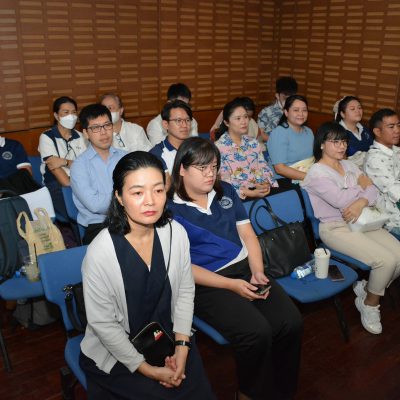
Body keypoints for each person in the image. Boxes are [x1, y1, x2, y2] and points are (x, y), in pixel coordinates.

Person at [168, 137, 303, 400]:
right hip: (207, 282)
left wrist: (257, 271)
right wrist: (231, 285)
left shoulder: (226, 191)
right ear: (182, 169)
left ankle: (283, 389)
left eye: (214, 166)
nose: (210, 174)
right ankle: (248, 393)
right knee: (256, 332)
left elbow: (248, 235)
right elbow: (181, 267)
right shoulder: (170, 209)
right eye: (202, 168)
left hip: (245, 269)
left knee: (291, 322)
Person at [79, 151, 215, 400]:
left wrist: (182, 347)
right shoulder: (101, 252)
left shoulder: (175, 233)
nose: (150, 201)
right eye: (137, 193)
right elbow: (103, 324)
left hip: (169, 336)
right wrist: (147, 370)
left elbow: (185, 292)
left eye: (158, 190)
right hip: (120, 352)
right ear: (119, 197)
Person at [302, 121, 400, 335]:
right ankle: (370, 304)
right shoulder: (317, 173)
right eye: (335, 142)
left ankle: (368, 289)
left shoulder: (348, 165)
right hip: (335, 227)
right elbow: (340, 200)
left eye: (344, 142)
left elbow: (373, 190)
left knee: (399, 257)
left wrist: (360, 201)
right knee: (385, 261)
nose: (342, 146)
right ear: (321, 144)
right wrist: (361, 190)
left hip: (363, 220)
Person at [70, 104, 126, 244]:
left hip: (129, 218)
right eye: (95, 128)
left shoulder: (126, 158)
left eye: (107, 125)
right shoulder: (79, 166)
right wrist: (128, 198)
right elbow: (95, 205)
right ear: (86, 133)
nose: (103, 132)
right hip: (99, 226)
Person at [215, 97, 278, 200]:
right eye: (238, 118)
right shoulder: (219, 147)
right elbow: (224, 179)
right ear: (226, 122)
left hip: (261, 189)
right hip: (238, 196)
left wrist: (265, 183)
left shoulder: (253, 142)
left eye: (245, 117)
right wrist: (248, 192)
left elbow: (263, 166)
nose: (244, 121)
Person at [38, 96, 87, 218]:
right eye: (66, 112)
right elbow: (63, 179)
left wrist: (65, 162)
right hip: (57, 184)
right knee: (79, 214)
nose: (71, 116)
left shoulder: (81, 137)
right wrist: (77, 186)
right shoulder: (47, 137)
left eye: (74, 112)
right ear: (56, 116)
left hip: (81, 180)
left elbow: (87, 166)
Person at [364, 109, 400, 236]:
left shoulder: (396, 150)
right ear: (377, 132)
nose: (397, 130)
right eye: (391, 127)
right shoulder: (375, 159)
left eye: (398, 125)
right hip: (393, 220)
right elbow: (397, 193)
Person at [267, 95, 314, 187]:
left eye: (304, 110)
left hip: (305, 178)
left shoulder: (308, 132)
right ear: (286, 112)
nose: (301, 114)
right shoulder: (279, 133)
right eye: (296, 110)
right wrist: (311, 178)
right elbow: (280, 169)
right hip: (282, 181)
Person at [150, 100, 192, 181]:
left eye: (187, 120)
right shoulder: (156, 155)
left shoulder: (197, 149)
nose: (185, 125)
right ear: (166, 124)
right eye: (178, 121)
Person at [333, 96, 373, 167]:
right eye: (352, 109)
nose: (357, 111)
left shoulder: (365, 129)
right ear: (342, 114)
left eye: (359, 108)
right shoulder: (336, 133)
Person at [257, 76, 298, 142]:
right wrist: (278, 142)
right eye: (285, 98)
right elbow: (260, 134)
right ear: (277, 96)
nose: (288, 101)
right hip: (270, 146)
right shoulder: (266, 112)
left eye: (291, 98)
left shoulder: (298, 112)